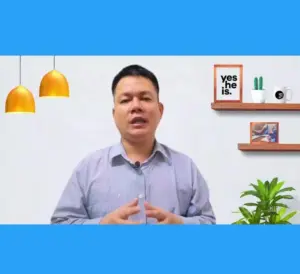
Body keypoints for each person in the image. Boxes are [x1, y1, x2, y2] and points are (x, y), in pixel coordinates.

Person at [50, 64, 216, 224]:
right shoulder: (89, 168)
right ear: (114, 114)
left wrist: (181, 225)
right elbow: (60, 224)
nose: (136, 106)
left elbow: (208, 223)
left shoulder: (186, 168)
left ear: (160, 110)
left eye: (145, 98)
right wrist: (102, 225)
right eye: (125, 100)